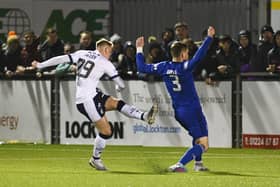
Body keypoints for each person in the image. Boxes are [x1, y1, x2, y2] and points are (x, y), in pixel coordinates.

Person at [32, 38, 158, 171]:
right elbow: (121, 84)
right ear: (104, 49)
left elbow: (61, 59)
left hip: (91, 95)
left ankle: (144, 116)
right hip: (87, 101)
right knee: (107, 131)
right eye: (109, 51)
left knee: (117, 103)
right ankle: (95, 159)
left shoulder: (82, 53)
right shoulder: (105, 62)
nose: (110, 54)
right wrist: (119, 87)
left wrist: (41, 65)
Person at [136, 26, 215, 172]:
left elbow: (141, 68)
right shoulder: (184, 67)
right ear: (184, 54)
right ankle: (180, 164)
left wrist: (139, 49)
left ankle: (198, 164)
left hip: (187, 110)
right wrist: (208, 38)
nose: (189, 55)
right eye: (187, 52)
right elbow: (199, 56)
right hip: (189, 111)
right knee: (204, 144)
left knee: (201, 137)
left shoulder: (163, 66)